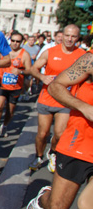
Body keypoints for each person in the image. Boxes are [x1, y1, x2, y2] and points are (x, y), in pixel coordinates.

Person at [26, 51, 93, 209]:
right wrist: (84, 107)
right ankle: (43, 198)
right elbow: (56, 86)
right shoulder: (90, 60)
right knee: (57, 207)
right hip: (79, 144)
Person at [28, 24, 85, 172]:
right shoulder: (50, 52)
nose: (69, 39)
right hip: (46, 98)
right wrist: (42, 76)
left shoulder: (82, 56)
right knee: (42, 133)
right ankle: (39, 156)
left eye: (73, 36)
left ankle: (53, 152)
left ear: (78, 38)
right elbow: (33, 68)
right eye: (67, 35)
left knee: (59, 134)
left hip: (66, 101)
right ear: (61, 36)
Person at [0, 31, 31, 139]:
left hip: (16, 86)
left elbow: (30, 71)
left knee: (10, 110)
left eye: (18, 41)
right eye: (13, 41)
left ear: (22, 42)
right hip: (2, 84)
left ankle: (5, 125)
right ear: (10, 40)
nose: (15, 43)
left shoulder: (24, 54)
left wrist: (20, 71)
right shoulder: (3, 51)